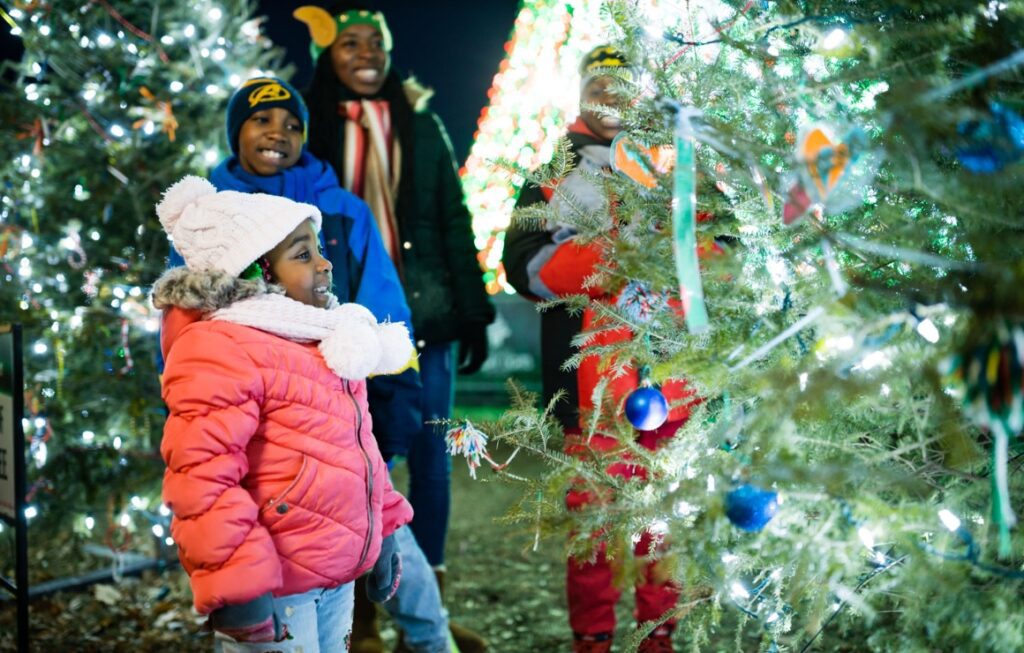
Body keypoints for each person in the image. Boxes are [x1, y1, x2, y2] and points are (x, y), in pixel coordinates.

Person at [194, 75, 458, 653]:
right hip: (262, 433)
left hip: (342, 416)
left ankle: (430, 640)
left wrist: (394, 399)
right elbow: (191, 326)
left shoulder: (338, 211)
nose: (277, 133)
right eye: (261, 120)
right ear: (235, 131)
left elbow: (385, 312)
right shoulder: (211, 218)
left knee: (382, 532)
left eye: (292, 124)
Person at [297, 4, 494, 652]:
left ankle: (427, 605)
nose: (364, 54)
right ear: (330, 55)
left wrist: (472, 310)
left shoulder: (421, 123)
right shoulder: (314, 128)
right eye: (349, 43)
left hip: (424, 312)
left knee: (433, 458)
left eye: (375, 43)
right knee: (354, 458)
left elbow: (453, 217)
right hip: (339, 317)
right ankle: (363, 609)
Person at [153, 176, 412, 652]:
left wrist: (384, 529)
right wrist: (238, 585)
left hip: (334, 572)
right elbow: (203, 477)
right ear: (260, 274)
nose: (324, 263)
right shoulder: (219, 347)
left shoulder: (325, 334)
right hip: (274, 584)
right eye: (303, 255)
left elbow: (357, 448)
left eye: (318, 248)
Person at [502, 46, 698, 653]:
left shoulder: (678, 165)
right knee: (593, 516)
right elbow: (524, 268)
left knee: (661, 517)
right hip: (586, 384)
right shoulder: (553, 174)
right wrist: (613, 262)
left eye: (623, 84)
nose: (611, 95)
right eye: (599, 84)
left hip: (671, 379)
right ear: (582, 92)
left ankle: (658, 635)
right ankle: (592, 637)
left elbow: (712, 257)